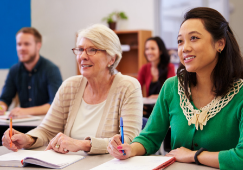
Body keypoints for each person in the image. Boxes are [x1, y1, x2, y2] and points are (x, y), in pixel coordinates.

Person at [107, 7, 243, 170]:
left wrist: (193, 155)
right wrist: (129, 149)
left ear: (220, 43)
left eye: (194, 38)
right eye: (180, 41)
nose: (184, 48)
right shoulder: (171, 87)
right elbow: (150, 138)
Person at [2, 24, 143, 154]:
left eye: (92, 50)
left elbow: (128, 141)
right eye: (80, 49)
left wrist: (82, 144)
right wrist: (28, 139)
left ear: (111, 58)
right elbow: (47, 130)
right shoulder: (70, 86)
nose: (82, 56)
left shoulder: (128, 87)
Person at [0, 27, 62, 117]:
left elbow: (56, 105)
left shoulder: (51, 69)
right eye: (19, 44)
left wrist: (25, 111)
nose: (22, 48)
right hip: (22, 123)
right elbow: (5, 99)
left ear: (38, 46)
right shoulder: (14, 70)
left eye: (27, 44)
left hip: (45, 124)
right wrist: (2, 107)